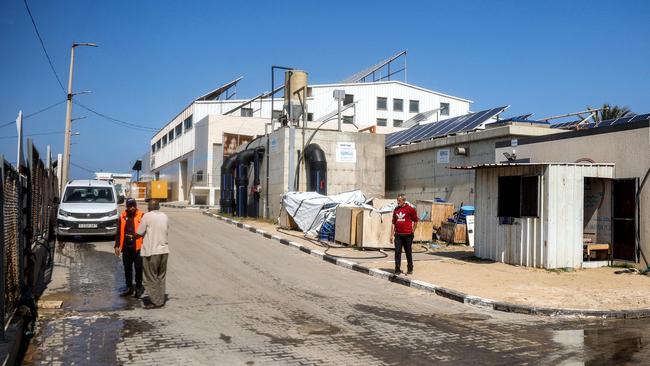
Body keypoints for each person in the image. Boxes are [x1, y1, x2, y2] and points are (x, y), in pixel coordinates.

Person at [133, 199, 169, 309]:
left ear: (149, 207)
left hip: (152, 252)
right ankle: (160, 299)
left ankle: (156, 302)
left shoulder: (147, 216)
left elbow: (139, 233)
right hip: (164, 251)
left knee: (150, 277)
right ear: (158, 207)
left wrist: (132, 236)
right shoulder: (164, 216)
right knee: (160, 276)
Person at [114, 198, 145, 298]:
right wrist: (117, 245)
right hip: (126, 247)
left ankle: (139, 287)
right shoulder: (122, 216)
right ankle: (129, 287)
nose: (132, 207)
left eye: (133, 205)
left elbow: (146, 231)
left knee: (138, 268)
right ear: (127, 206)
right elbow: (118, 232)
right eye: (130, 206)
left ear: (136, 205)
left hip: (138, 247)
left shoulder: (141, 215)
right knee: (127, 268)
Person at [390, 193, 418, 275]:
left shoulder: (410, 209)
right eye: (397, 200)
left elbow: (415, 221)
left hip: (408, 235)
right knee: (397, 252)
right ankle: (397, 269)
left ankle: (410, 268)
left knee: (408, 252)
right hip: (398, 235)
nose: (397, 202)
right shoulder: (396, 210)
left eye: (399, 200)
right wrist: (391, 235)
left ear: (404, 200)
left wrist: (413, 231)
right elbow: (393, 223)